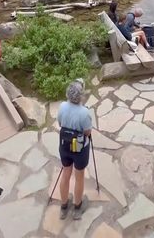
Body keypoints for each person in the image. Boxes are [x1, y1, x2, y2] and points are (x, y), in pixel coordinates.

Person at [57, 79, 92, 220]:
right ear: (81, 96)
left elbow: (60, 123)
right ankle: (77, 207)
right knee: (79, 176)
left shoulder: (62, 106)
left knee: (66, 174)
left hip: (64, 146)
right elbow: (88, 132)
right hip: (79, 149)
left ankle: (64, 206)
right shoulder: (84, 113)